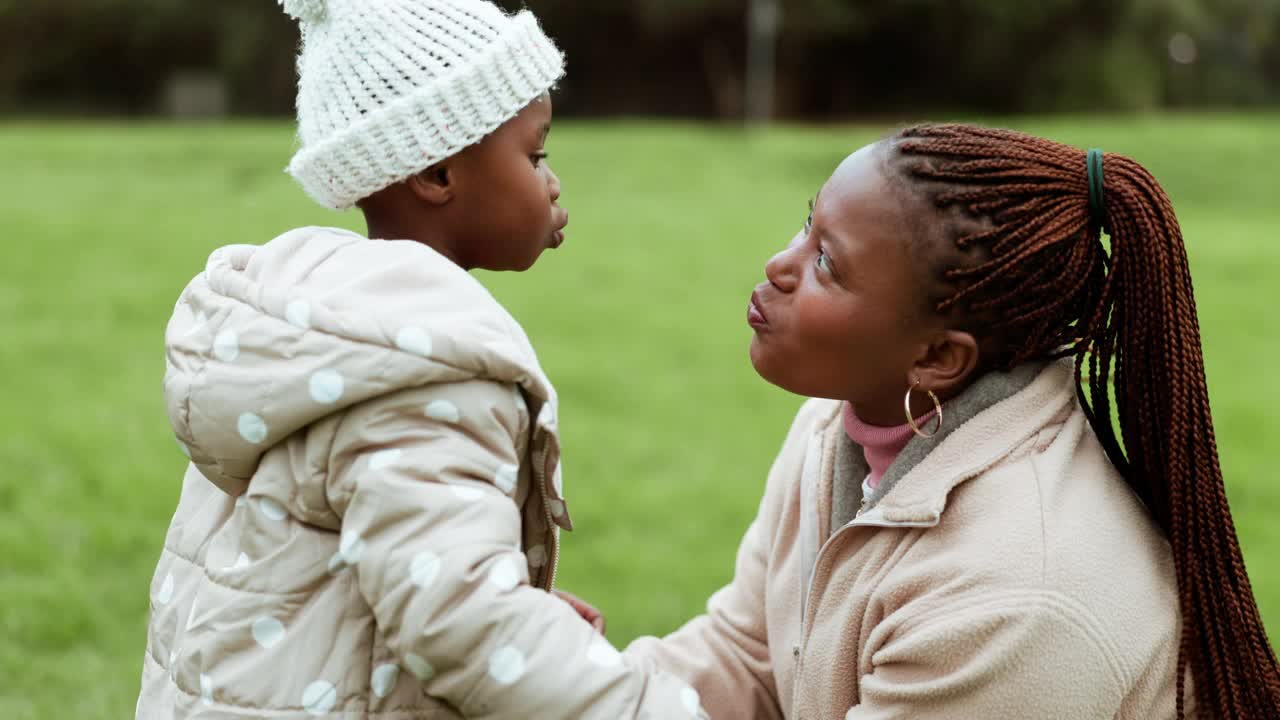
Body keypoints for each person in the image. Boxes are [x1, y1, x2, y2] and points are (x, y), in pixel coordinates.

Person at [136, 1, 708, 717]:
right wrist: (645, 705)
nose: (552, 182)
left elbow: (360, 568)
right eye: (534, 155)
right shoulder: (425, 379)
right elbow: (462, 625)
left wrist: (518, 597)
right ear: (438, 172)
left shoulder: (327, 332)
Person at [625, 124, 1280, 719]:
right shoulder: (837, 427)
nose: (779, 264)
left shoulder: (1018, 599)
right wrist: (564, 677)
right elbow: (747, 659)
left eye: (827, 262)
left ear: (937, 357)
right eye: (807, 225)